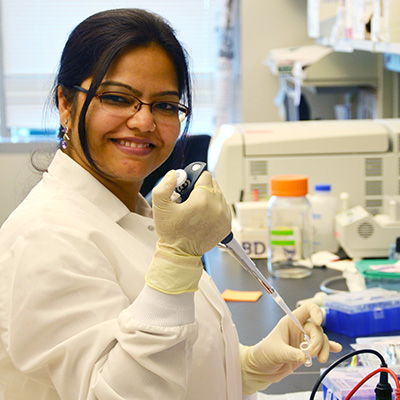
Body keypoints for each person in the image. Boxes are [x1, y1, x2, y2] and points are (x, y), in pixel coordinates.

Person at [0, 8, 342, 400]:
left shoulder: (133, 214)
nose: (144, 122)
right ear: (66, 103)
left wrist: (245, 367)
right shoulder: (45, 237)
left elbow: (166, 362)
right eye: (117, 98)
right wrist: (177, 259)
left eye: (164, 105)